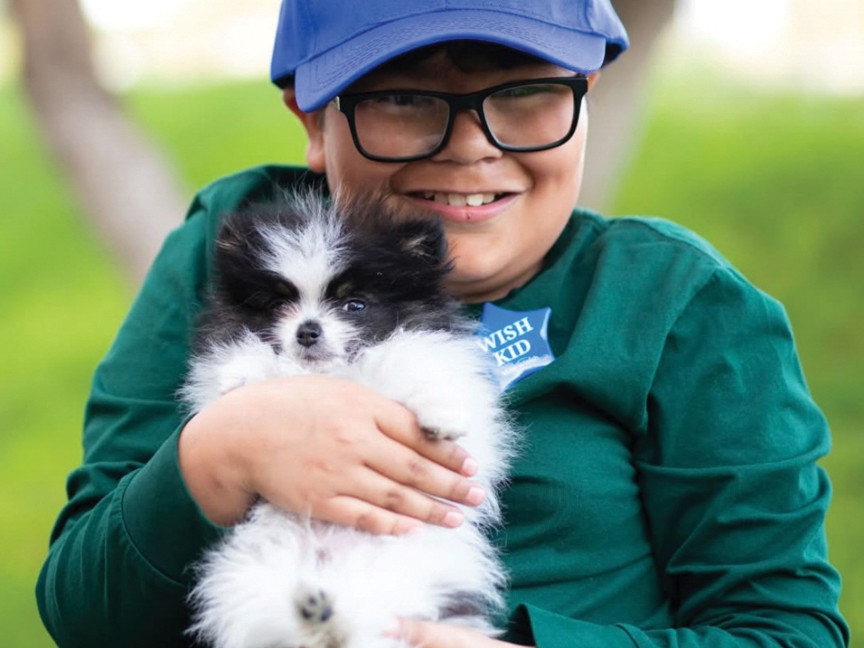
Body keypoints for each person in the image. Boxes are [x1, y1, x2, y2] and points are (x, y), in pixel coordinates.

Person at [36, 1, 849, 646]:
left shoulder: (674, 300)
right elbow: (82, 611)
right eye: (402, 97)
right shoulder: (244, 245)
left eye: (526, 90)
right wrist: (220, 453)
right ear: (312, 119)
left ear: (585, 94)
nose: (470, 147)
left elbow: (785, 630)